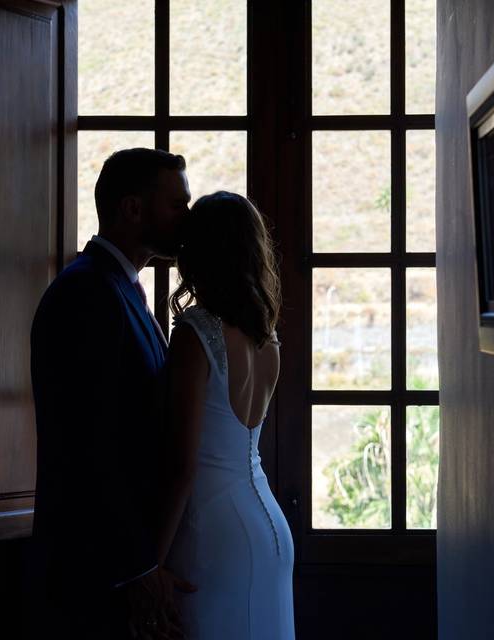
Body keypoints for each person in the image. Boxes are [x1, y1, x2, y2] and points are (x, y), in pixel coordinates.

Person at [30, 148, 195, 638]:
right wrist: (139, 568)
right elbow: (88, 445)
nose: (187, 218)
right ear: (132, 208)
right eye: (177, 205)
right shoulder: (86, 295)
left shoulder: (121, 290)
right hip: (93, 575)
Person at [163, 192, 295, 639]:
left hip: (213, 527)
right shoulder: (265, 334)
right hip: (269, 523)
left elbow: (182, 467)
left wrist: (150, 563)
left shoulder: (195, 333)